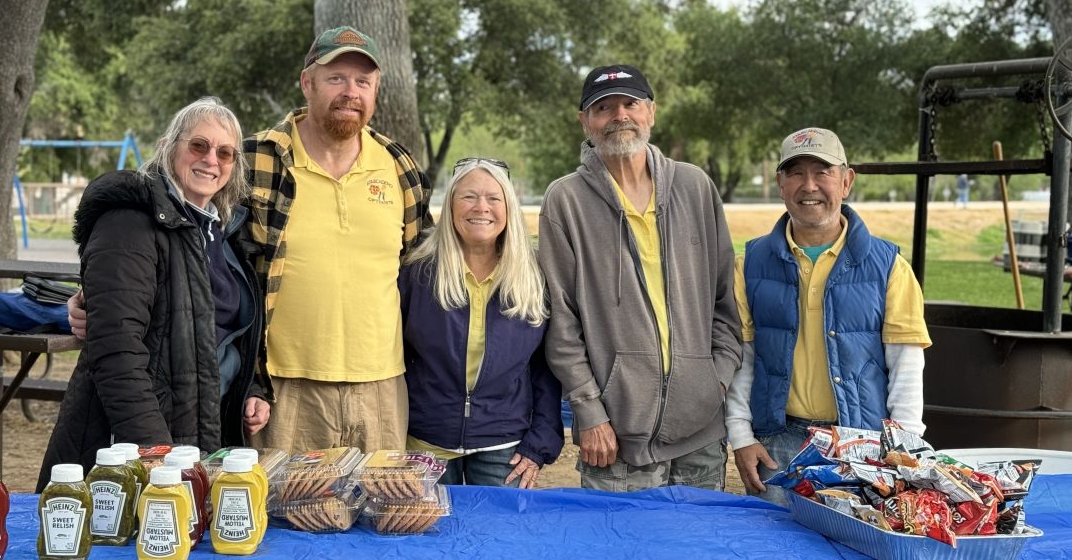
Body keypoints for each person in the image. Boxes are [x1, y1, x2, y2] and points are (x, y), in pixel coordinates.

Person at [39, 97, 269, 489]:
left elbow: (218, 329)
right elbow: (117, 351)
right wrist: (157, 457)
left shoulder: (220, 233)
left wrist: (251, 388)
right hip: (130, 451)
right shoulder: (129, 223)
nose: (211, 160)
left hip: (199, 438)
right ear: (169, 146)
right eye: (199, 145)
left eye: (225, 153)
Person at [539, 64, 743, 492]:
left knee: (698, 548)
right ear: (585, 121)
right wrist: (589, 409)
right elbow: (562, 321)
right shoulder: (566, 201)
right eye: (604, 107)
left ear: (651, 112)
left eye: (630, 103)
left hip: (700, 432)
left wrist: (716, 380)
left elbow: (726, 298)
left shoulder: (695, 187)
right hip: (614, 439)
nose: (620, 116)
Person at [240, 25, 432, 452]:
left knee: (379, 513)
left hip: (381, 387)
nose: (351, 92)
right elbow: (202, 249)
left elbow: (425, 270)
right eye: (336, 78)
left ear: (376, 91)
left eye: (363, 81)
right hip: (284, 387)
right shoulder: (255, 161)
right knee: (286, 513)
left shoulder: (400, 167)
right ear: (307, 83)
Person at [725, 127, 931, 506]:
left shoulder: (889, 268)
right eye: (796, 173)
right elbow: (742, 360)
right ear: (781, 184)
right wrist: (742, 437)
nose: (809, 186)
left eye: (823, 172)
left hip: (864, 447)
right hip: (779, 444)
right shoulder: (749, 265)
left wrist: (904, 449)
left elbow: (906, 367)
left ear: (846, 181)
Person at [399, 157, 562, 488]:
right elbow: (394, 356)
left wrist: (540, 442)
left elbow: (546, 366)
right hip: (427, 444)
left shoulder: (534, 276)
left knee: (498, 538)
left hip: (504, 444)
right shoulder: (418, 273)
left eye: (493, 198)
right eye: (468, 196)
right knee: (429, 537)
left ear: (508, 208)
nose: (481, 207)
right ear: (451, 205)